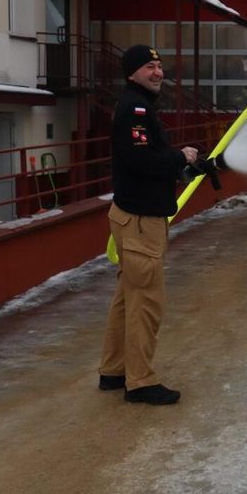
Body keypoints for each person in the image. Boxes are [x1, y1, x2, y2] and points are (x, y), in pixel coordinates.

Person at [99, 44, 199, 405]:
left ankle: (114, 370)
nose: (158, 72)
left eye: (159, 65)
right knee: (145, 301)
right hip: (142, 221)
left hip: (130, 215)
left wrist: (180, 165)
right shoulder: (136, 109)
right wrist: (179, 156)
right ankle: (139, 381)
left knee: (127, 297)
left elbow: (144, 159)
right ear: (131, 74)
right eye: (149, 67)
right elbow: (140, 160)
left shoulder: (136, 105)